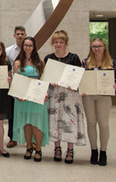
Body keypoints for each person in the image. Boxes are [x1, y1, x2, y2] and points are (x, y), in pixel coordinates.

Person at [44, 30, 86, 164]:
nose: (58, 44)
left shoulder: (74, 57)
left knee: (69, 121)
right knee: (55, 120)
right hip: (54, 94)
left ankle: (70, 149)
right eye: (56, 42)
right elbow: (45, 77)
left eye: (61, 42)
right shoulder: (48, 58)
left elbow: (78, 77)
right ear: (53, 43)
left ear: (65, 43)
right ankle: (57, 148)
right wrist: (50, 81)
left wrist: (72, 84)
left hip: (69, 95)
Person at [12, 37, 47, 162]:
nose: (27, 47)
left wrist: (45, 93)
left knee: (36, 123)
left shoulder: (40, 62)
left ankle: (38, 149)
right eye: (25, 45)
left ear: (34, 47)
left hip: (36, 97)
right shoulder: (17, 63)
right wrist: (17, 95)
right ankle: (28, 147)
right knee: (26, 123)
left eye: (30, 45)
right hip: (22, 98)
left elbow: (44, 80)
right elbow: (16, 82)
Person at [82, 38, 116, 166]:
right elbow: (81, 79)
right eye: (94, 46)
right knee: (91, 123)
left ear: (104, 47)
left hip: (104, 96)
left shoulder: (111, 63)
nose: (96, 49)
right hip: (88, 96)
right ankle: (94, 150)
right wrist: (82, 87)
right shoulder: (85, 62)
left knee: (103, 124)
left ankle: (103, 151)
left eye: (99, 46)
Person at [5, 25, 26, 148]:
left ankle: (30, 138)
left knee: (27, 112)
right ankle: (12, 137)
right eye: (18, 34)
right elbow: (6, 68)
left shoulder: (30, 50)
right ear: (14, 35)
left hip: (26, 84)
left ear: (25, 35)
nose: (20, 36)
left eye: (22, 34)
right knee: (12, 112)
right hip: (12, 85)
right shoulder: (8, 51)